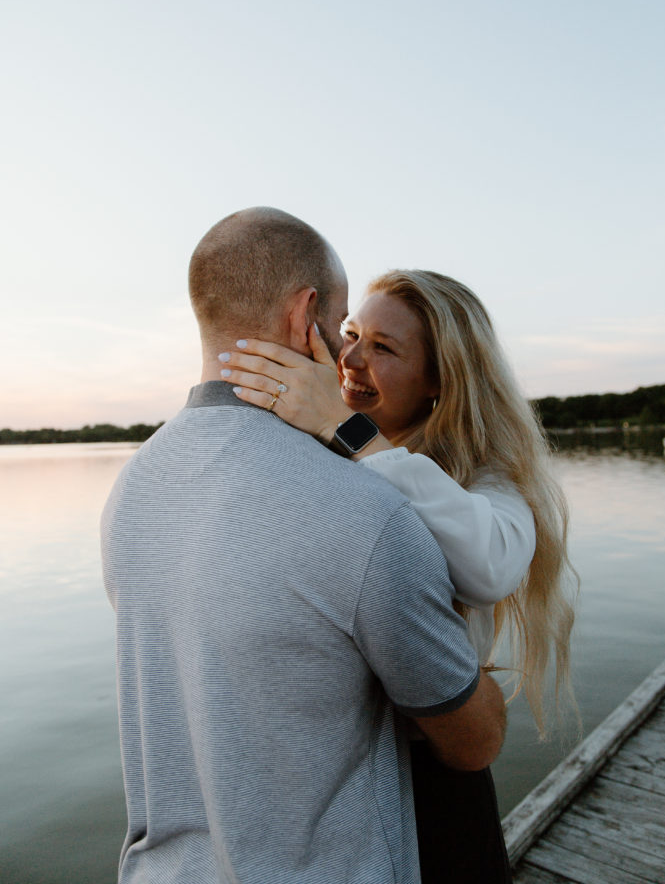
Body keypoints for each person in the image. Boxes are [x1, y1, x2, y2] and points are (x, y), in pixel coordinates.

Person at [101, 209, 507, 884]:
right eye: (344, 324)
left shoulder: (132, 488)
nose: (348, 356)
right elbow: (474, 743)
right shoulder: (367, 513)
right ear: (305, 315)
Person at [219, 268, 577, 884]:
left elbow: (489, 568)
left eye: (383, 348)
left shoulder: (483, 475)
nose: (350, 359)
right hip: (324, 772)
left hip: (434, 772)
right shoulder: (314, 453)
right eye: (350, 333)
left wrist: (349, 430)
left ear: (441, 378)